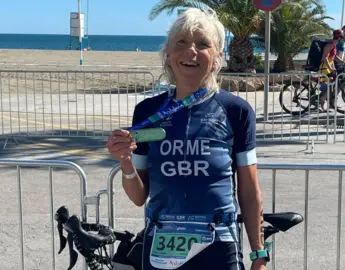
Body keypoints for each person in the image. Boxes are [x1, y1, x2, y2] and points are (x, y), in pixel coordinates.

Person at [106, 8, 266, 270]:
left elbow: (249, 192)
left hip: (219, 244)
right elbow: (138, 196)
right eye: (181, 43)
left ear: (217, 59)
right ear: (168, 56)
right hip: (161, 243)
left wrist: (260, 254)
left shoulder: (236, 110)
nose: (191, 51)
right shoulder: (147, 111)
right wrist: (125, 161)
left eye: (203, 44)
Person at [318, 29, 344, 111]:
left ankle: (324, 102)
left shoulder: (333, 45)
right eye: (341, 37)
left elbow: (332, 58)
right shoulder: (330, 45)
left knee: (330, 85)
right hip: (324, 67)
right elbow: (324, 57)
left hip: (328, 67)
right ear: (339, 37)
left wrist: (337, 66)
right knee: (328, 85)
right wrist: (330, 68)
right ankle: (320, 103)